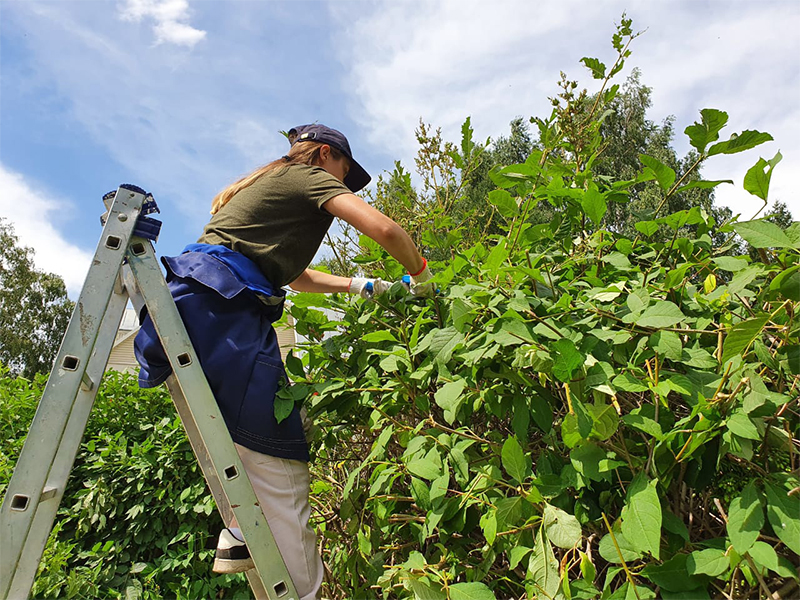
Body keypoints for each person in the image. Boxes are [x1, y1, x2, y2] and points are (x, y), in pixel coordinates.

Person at [133, 124, 434, 600]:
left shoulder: (266, 185)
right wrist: (421, 275)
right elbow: (385, 229)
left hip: (203, 304)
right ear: (322, 154)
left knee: (252, 439)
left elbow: (294, 278)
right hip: (221, 310)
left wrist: (360, 285)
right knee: (284, 470)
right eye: (343, 172)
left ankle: (237, 531)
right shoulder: (307, 176)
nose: (342, 183)